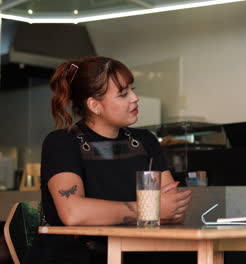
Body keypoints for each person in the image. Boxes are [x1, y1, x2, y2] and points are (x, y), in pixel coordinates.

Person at [25, 56, 192, 264]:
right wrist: (148, 209)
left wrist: (162, 210)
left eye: (132, 89)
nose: (135, 98)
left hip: (135, 253)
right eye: (123, 94)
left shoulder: (145, 141)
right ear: (95, 105)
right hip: (77, 256)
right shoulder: (62, 143)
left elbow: (172, 211)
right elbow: (74, 213)